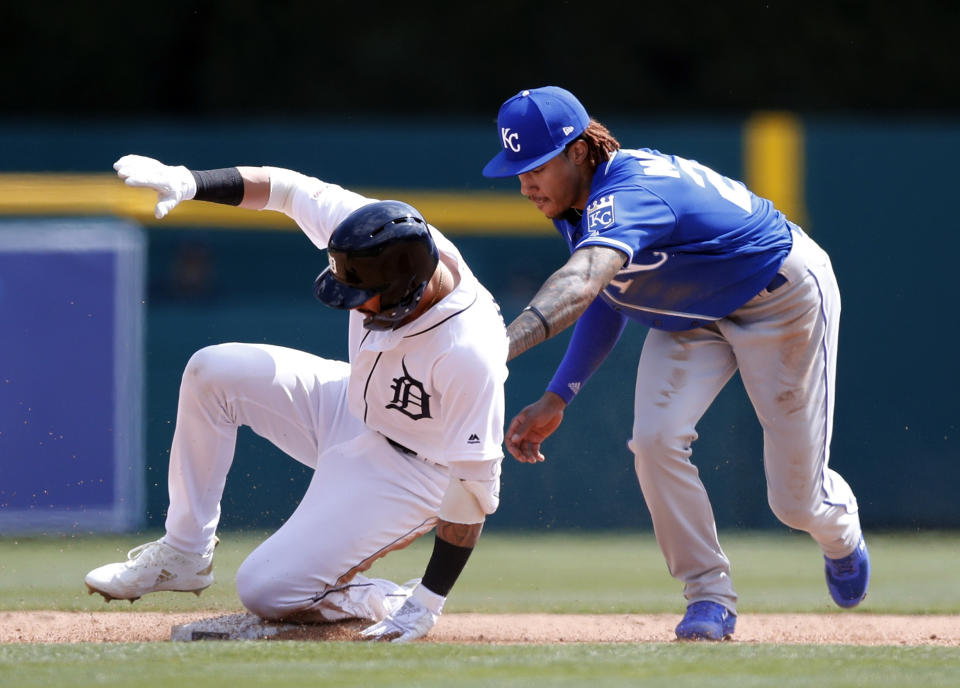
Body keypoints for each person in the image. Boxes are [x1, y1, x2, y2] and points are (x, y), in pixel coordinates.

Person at [482, 87, 869, 641]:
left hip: (778, 298)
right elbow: (607, 294)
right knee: (655, 440)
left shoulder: (633, 189)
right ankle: (708, 595)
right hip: (691, 316)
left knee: (795, 502)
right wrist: (558, 394)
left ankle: (841, 533)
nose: (524, 184)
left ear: (578, 151)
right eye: (515, 171)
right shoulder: (573, 203)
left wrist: (495, 347)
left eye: (535, 166)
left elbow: (582, 281)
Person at [84, 155, 509, 643]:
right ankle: (184, 553)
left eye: (362, 295)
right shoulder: (378, 234)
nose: (351, 304)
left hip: (413, 470)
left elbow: (473, 489)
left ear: (405, 293)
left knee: (265, 591)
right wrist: (191, 182)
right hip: (352, 404)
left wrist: (428, 603)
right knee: (212, 371)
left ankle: (384, 600)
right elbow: (286, 189)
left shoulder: (469, 351)